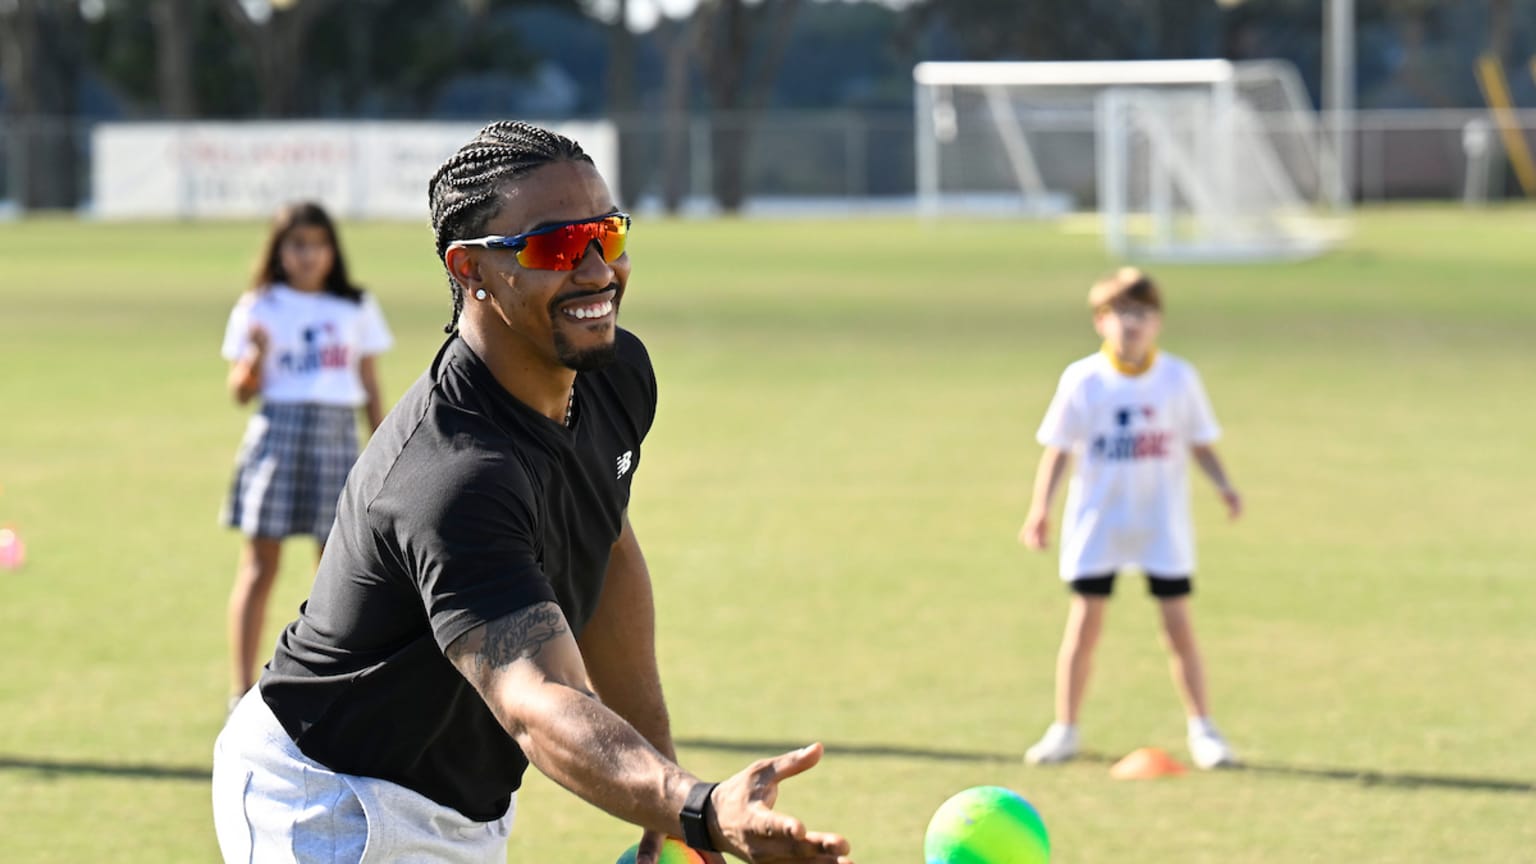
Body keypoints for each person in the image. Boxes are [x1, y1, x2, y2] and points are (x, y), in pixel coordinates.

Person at [212, 121, 855, 864]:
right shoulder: (452, 475)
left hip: (462, 806)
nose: (595, 271)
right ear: (471, 270)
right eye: (554, 247)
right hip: (332, 800)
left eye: (607, 236)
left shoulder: (612, 375)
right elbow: (536, 700)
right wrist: (701, 808)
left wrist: (667, 795)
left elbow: (606, 547)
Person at [1018, 267, 1242, 770]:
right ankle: (1065, 729)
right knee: (1084, 627)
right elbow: (1058, 450)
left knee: (1178, 627)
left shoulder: (1178, 378)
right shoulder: (1083, 380)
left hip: (1161, 526)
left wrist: (1224, 485)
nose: (1130, 324)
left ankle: (1204, 730)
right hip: (1099, 523)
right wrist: (1040, 510)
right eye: (1120, 313)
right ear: (1101, 322)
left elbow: (1200, 442)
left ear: (1157, 322)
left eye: (1140, 314)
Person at [220, 201, 392, 705]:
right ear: (280, 251)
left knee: (337, 568)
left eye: (318, 244)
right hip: (278, 432)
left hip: (336, 436)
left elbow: (368, 382)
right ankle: (240, 688)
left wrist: (382, 447)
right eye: (297, 245)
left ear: (332, 250)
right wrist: (253, 355)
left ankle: (329, 683)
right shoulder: (260, 305)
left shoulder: (355, 306)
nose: (309, 255)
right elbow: (240, 391)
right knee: (259, 565)